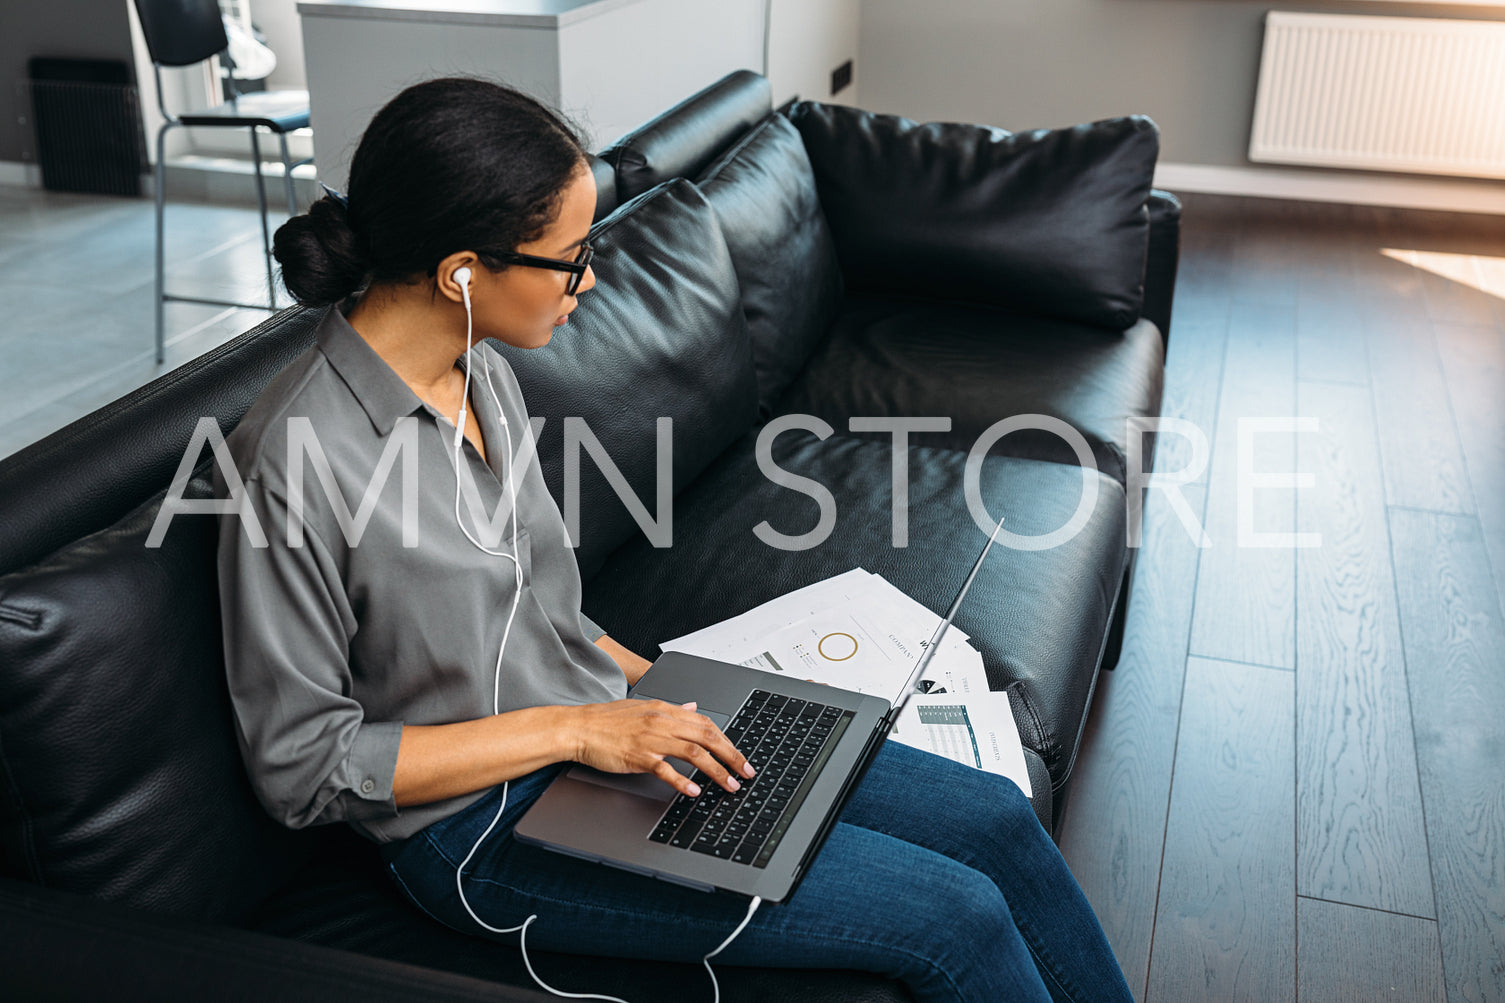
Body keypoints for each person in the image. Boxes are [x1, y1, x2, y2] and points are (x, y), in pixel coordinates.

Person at [215, 76, 1134, 1003]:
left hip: (605, 735)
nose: (587, 282)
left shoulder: (478, 369)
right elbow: (302, 767)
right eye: (568, 259)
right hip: (479, 832)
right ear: (461, 272)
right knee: (952, 916)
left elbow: (540, 607)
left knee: (995, 820)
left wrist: (668, 685)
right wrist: (577, 728)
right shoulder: (293, 458)